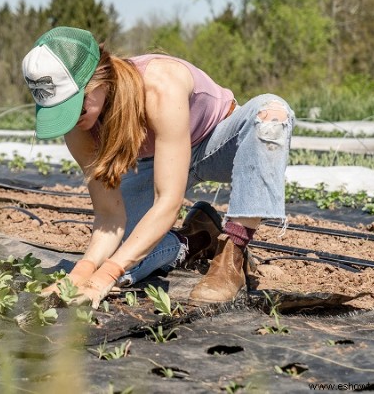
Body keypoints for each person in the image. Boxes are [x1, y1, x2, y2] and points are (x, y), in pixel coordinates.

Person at [21, 26, 294, 307]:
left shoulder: (159, 84)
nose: (73, 119)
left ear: (99, 78)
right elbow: (109, 216)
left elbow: (168, 202)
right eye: (60, 111)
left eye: (76, 106)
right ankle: (195, 239)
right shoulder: (79, 127)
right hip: (158, 161)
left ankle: (232, 253)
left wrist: (106, 276)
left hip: (218, 144)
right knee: (124, 255)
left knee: (271, 115)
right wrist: (83, 272)